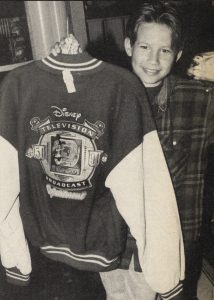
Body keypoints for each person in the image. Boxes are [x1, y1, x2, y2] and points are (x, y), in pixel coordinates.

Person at [0, 33, 184, 299]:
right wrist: (15, 258)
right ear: (129, 46)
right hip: (58, 247)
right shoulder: (16, 87)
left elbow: (151, 194)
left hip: (92, 243)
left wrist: (165, 275)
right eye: (145, 46)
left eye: (164, 50)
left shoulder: (122, 88)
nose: (153, 59)